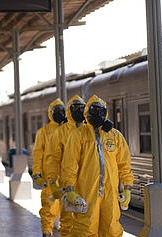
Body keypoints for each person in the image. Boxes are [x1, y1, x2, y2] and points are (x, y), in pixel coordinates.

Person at [61, 95, 134, 237]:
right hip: (86, 192)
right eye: (92, 112)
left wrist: (127, 188)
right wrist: (69, 189)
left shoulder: (114, 136)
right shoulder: (78, 135)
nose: (96, 115)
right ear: (86, 113)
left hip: (110, 193)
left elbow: (124, 164)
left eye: (100, 112)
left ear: (105, 113)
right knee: (85, 229)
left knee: (111, 228)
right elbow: (70, 164)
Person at [43, 94, 86, 236]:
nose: (78, 111)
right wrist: (52, 182)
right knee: (67, 222)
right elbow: (52, 159)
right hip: (69, 185)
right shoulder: (60, 133)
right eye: (75, 108)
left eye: (81, 108)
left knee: (88, 222)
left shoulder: (90, 131)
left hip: (89, 184)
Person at [32, 98, 65, 237]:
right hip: (49, 176)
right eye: (56, 111)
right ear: (50, 113)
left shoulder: (68, 130)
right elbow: (38, 153)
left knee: (67, 208)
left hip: (66, 176)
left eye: (62, 111)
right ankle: (47, 232)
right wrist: (37, 174)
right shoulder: (43, 132)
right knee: (48, 206)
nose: (59, 113)